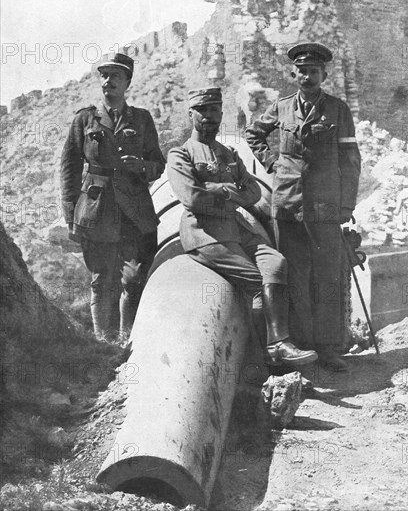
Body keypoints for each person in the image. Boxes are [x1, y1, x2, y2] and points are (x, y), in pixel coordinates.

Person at [167, 87, 317, 366]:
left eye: (214, 110)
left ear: (221, 113)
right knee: (257, 283)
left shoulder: (229, 154)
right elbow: (192, 198)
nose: (209, 116)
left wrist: (222, 189)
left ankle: (278, 346)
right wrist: (232, 192)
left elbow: (253, 193)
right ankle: (269, 356)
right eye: (202, 111)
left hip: (236, 227)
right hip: (205, 234)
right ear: (191, 114)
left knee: (276, 262)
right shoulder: (180, 154)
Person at [245, 43, 361, 371]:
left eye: (314, 71)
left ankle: (327, 349)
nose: (307, 76)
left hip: (324, 205)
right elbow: (254, 134)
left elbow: (351, 160)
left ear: (324, 75)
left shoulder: (338, 110)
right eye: (302, 70)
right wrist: (272, 163)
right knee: (294, 276)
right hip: (286, 203)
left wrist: (346, 204)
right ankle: (298, 345)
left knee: (325, 278)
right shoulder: (281, 108)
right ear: (293, 73)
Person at [61, 52, 165, 342]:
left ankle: (126, 339)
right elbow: (69, 167)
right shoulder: (85, 119)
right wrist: (71, 214)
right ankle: (103, 343)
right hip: (96, 210)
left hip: (134, 210)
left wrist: (142, 167)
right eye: (104, 76)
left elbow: (159, 162)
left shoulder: (142, 119)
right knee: (101, 280)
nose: (108, 81)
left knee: (132, 279)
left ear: (127, 82)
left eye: (115, 76)